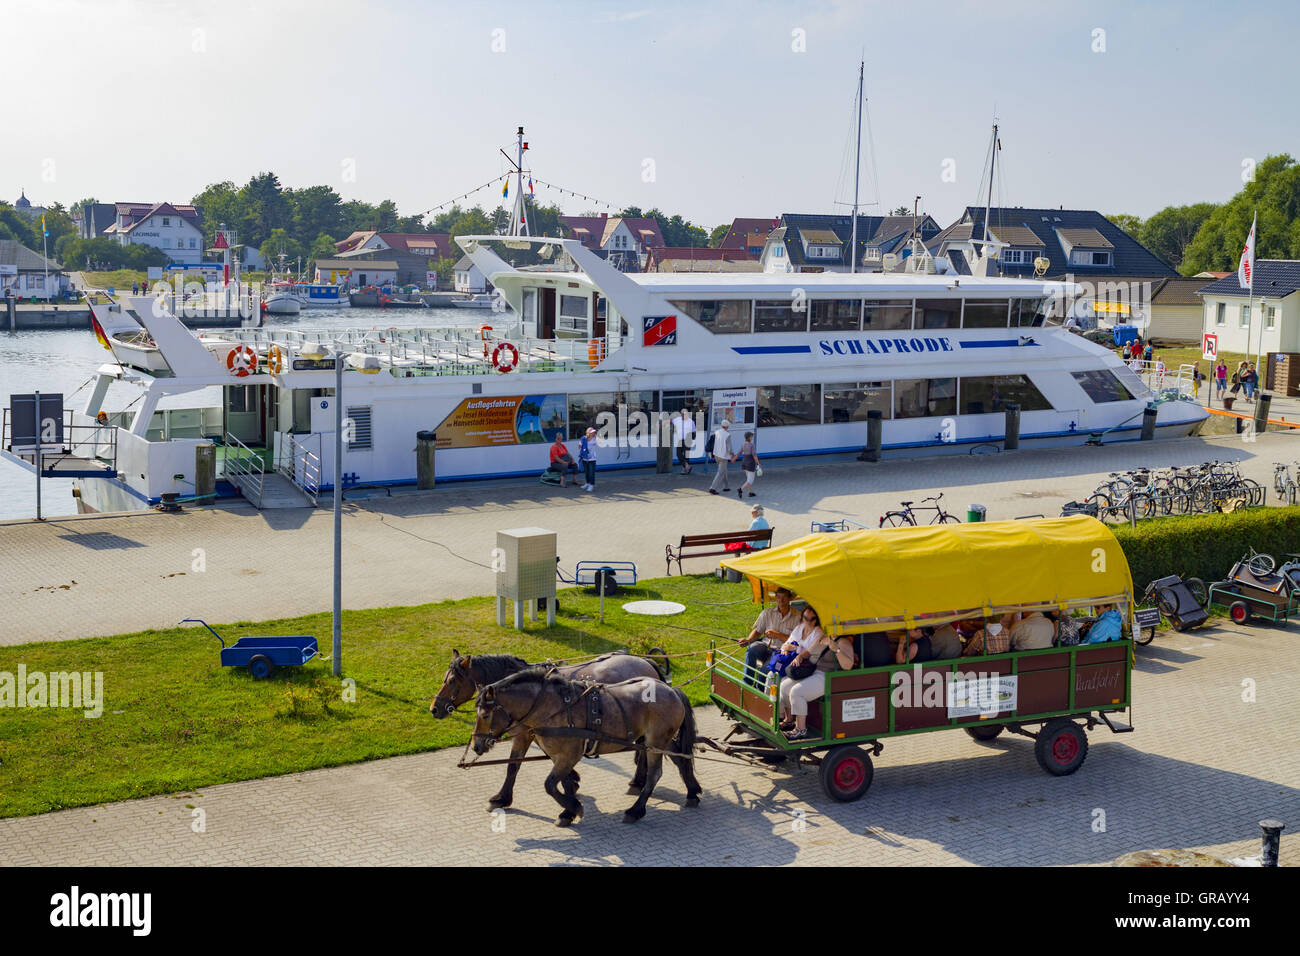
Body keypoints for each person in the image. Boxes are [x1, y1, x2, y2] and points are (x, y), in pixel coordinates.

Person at [777, 608, 855, 740]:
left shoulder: (843, 642)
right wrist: (800, 657)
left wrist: (836, 650)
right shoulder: (824, 637)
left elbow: (848, 666)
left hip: (828, 676)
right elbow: (809, 652)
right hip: (814, 671)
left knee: (797, 692)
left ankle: (801, 729)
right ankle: (789, 719)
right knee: (784, 685)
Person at [737, 586, 800, 688]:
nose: (781, 600)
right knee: (752, 649)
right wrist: (748, 640)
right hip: (765, 645)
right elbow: (757, 631)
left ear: (790, 598)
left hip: (781, 651)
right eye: (778, 597)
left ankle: (759, 691)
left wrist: (777, 635)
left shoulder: (797, 617)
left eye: (784, 597)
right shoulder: (767, 613)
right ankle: (746, 684)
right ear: (775, 598)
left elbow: (796, 641)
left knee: (764, 671)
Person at [708, 419, 735, 495]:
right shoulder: (727, 435)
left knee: (724, 470)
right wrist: (733, 454)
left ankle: (726, 486)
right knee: (720, 472)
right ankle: (712, 488)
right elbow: (729, 447)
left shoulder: (716, 432)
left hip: (716, 454)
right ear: (727, 426)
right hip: (723, 456)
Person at [672, 407, 696, 475]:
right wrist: (663, 422)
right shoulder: (677, 420)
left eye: (685, 414)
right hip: (680, 440)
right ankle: (687, 466)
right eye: (682, 414)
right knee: (678, 454)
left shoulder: (691, 421)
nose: (683, 415)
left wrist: (693, 438)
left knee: (686, 455)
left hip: (688, 440)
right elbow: (671, 420)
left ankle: (686, 469)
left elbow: (694, 432)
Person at [738, 431, 759, 498]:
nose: (752, 437)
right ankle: (740, 489)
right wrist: (758, 463)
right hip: (750, 462)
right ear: (749, 437)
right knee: (750, 480)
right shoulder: (751, 445)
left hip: (744, 462)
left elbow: (740, 452)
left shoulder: (743, 444)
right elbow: (754, 455)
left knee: (748, 478)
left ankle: (751, 492)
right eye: (752, 436)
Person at [578, 426, 598, 491]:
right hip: (585, 459)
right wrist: (581, 448)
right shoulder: (583, 439)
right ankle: (587, 483)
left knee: (591, 472)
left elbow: (601, 442)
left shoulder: (595, 439)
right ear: (588, 433)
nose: (593, 433)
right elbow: (579, 446)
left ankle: (591, 485)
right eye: (592, 432)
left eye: (594, 432)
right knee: (586, 472)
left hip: (592, 459)